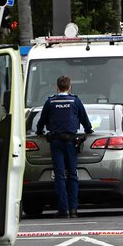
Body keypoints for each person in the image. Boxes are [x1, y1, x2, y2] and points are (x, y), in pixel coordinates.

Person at [36, 76, 93, 218]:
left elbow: (41, 122)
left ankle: (63, 209)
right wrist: (88, 130)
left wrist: (39, 132)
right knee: (73, 175)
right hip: (71, 142)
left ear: (57, 88)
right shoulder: (75, 101)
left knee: (60, 176)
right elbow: (85, 121)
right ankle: (74, 209)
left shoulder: (50, 102)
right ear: (70, 87)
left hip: (56, 142)